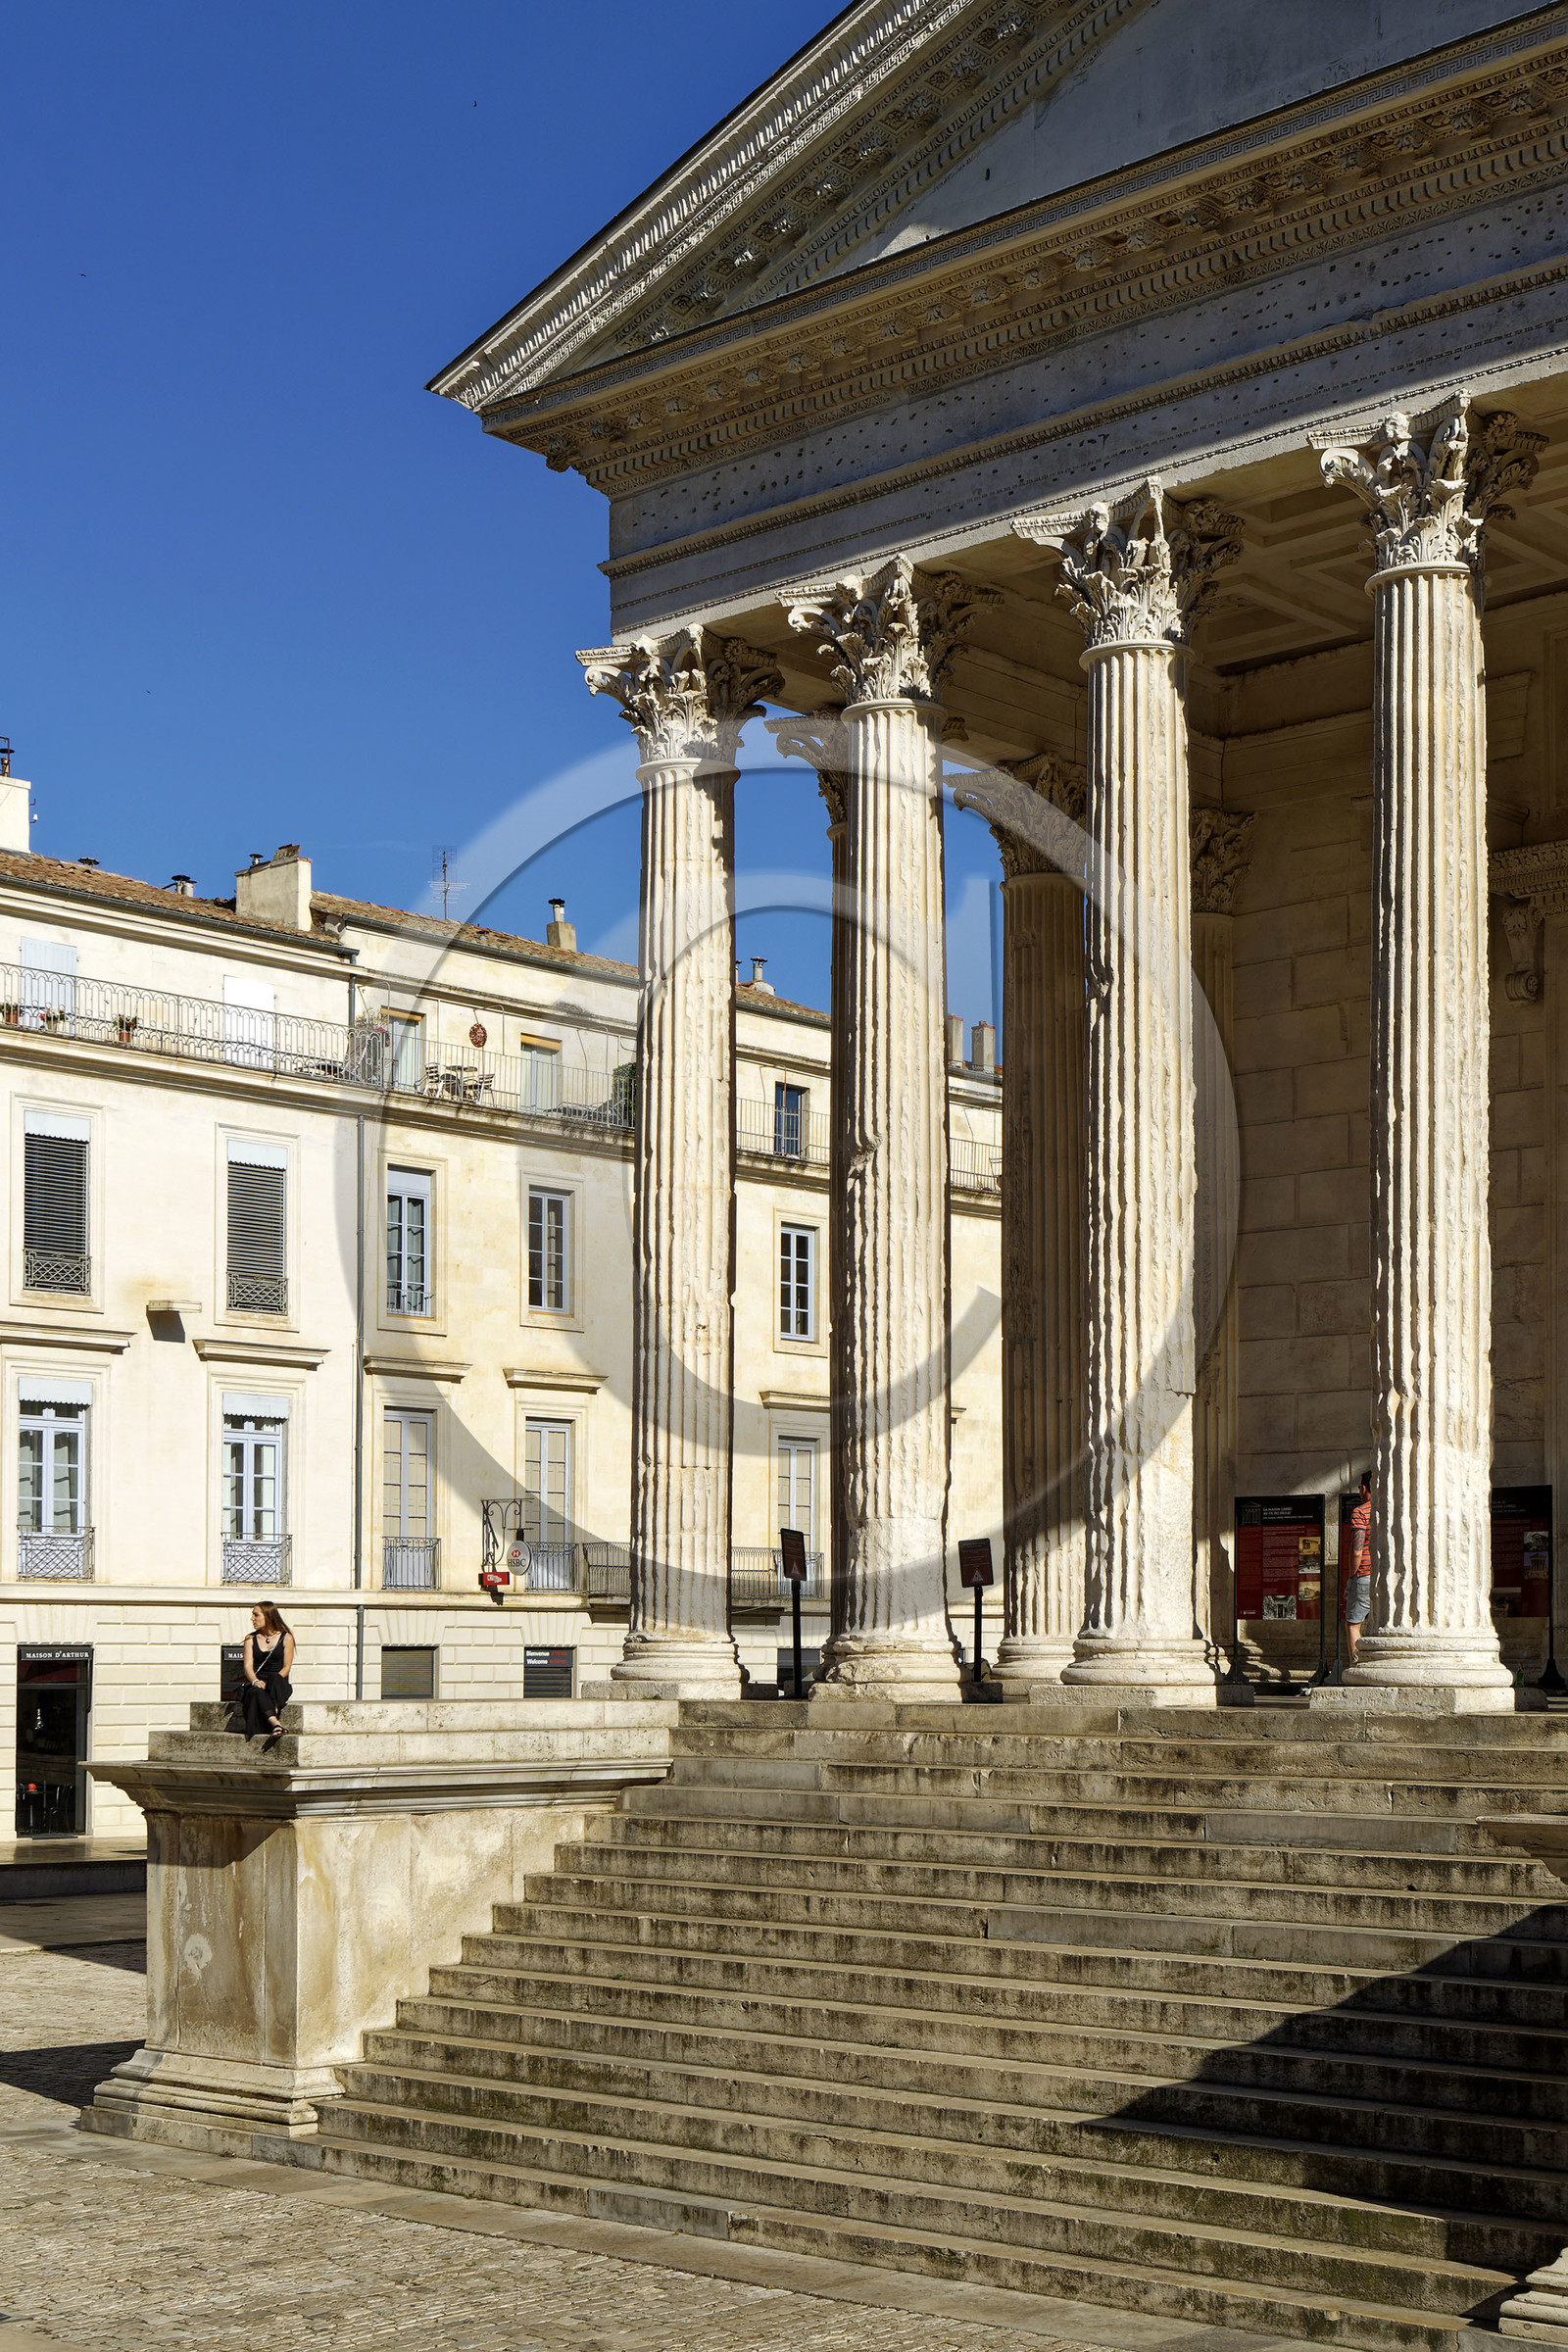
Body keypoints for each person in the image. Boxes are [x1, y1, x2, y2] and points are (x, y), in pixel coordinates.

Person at [239, 1602, 294, 1742]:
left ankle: (273, 1710)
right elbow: (248, 1666)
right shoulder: (250, 1639)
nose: (252, 1618)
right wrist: (255, 1681)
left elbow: (286, 1667)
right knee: (256, 1692)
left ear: (268, 1616)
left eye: (256, 1615)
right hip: (258, 1681)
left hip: (277, 1682)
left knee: (275, 1679)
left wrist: (271, 1684)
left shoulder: (286, 1637)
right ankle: (276, 1724)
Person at [1345, 1472, 1372, 1662]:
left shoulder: (1361, 1512)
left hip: (1364, 1574)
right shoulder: (1390, 1510)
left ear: (1363, 1488)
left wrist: (1351, 1577)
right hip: (1387, 1576)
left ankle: (1357, 1666)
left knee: (1353, 1624)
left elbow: (1357, 1551)